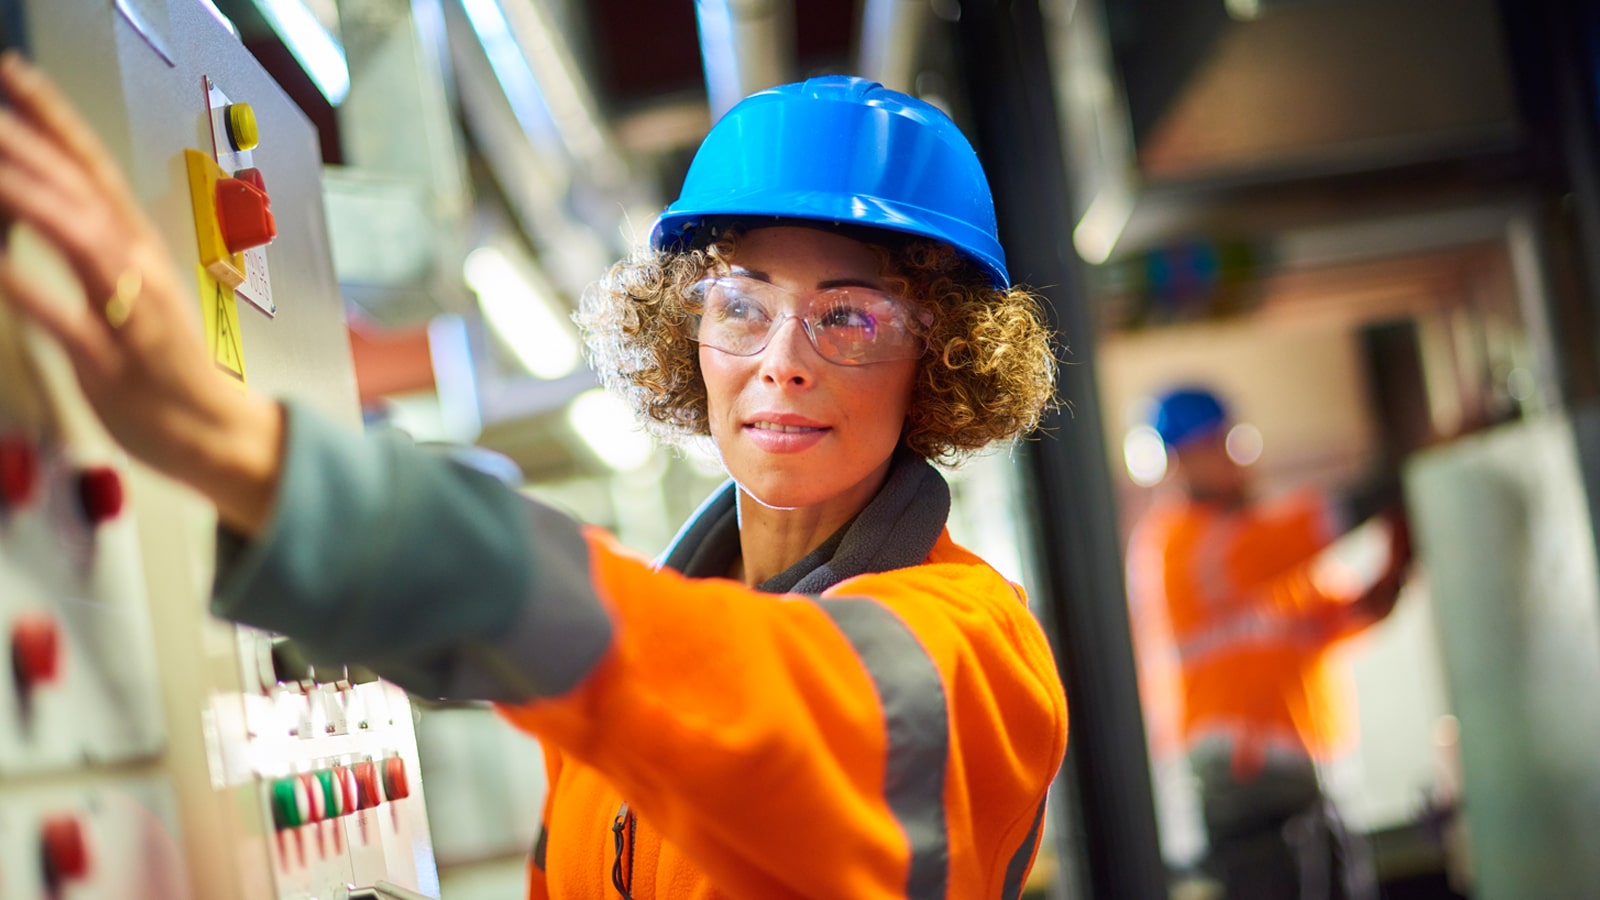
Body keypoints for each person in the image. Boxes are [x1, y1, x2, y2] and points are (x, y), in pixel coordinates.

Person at [0, 54, 1068, 899]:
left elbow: (760, 698)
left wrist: (237, 445)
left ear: (940, 362)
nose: (781, 357)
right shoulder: (621, 690)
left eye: (849, 316)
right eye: (740, 304)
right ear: (686, 337)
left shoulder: (977, 648)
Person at [1125, 386, 1412, 900]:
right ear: (1178, 463)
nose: (1237, 458)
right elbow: (1322, 523)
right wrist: (1403, 477)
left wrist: (1400, 555)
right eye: (1219, 444)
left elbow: (1345, 615)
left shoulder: (1258, 557)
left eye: (1235, 441)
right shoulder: (1182, 543)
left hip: (1306, 787)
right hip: (1247, 789)